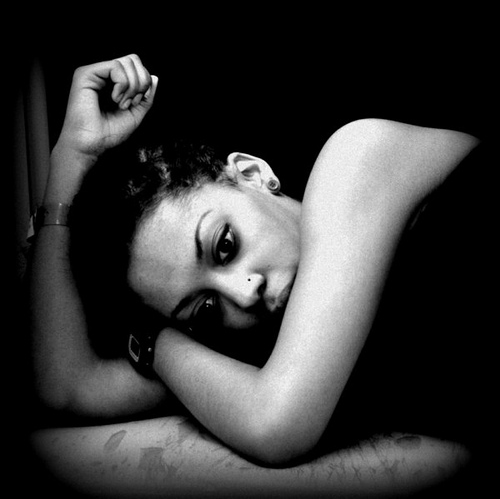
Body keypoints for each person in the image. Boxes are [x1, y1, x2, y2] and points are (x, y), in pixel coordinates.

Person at [28, 54, 491, 494]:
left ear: (251, 173)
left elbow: (275, 426)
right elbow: (68, 384)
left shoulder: (355, 161)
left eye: (225, 246)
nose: (243, 293)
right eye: (204, 308)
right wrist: (75, 152)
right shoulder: (263, 355)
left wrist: (154, 342)